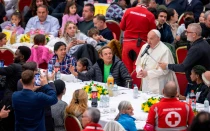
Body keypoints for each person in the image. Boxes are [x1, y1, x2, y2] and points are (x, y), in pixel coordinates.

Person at [120, 0, 156, 86]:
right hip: (140, 45)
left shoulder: (128, 11)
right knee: (137, 68)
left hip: (127, 43)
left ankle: (126, 88)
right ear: (148, 4)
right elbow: (152, 32)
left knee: (126, 67)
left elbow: (121, 27)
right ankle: (136, 89)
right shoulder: (150, 15)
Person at [135, 29, 177, 94]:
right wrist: (140, 71)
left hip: (158, 84)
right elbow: (139, 63)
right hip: (146, 82)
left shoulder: (165, 50)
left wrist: (148, 73)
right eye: (147, 38)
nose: (148, 41)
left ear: (158, 39)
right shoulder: (144, 47)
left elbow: (165, 70)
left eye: (151, 39)